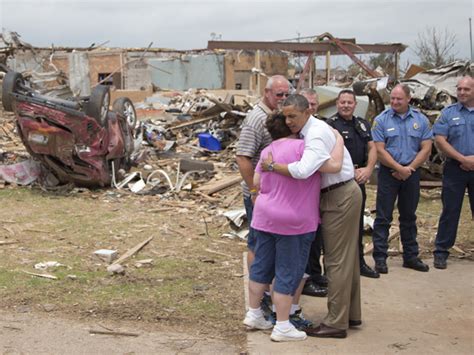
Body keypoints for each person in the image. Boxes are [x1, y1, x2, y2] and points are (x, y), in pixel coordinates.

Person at [261, 94, 362, 339]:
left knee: (336, 262)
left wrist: (273, 167)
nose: (288, 121)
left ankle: (336, 323)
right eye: (285, 116)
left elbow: (303, 170)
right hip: (337, 193)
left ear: (307, 112)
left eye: (293, 116)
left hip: (339, 196)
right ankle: (351, 314)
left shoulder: (315, 133)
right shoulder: (312, 130)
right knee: (347, 258)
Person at [243, 112, 344, 341]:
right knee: (288, 272)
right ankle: (282, 325)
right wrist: (338, 141)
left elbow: (257, 182)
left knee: (261, 266)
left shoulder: (267, 151)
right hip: (294, 221)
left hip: (265, 216)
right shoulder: (302, 148)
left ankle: (254, 313)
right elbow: (334, 166)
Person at [371, 84, 432, 274]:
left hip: (411, 175)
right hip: (388, 174)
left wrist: (409, 169)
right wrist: (399, 169)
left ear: (408, 99)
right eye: (393, 99)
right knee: (383, 217)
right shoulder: (381, 120)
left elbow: (426, 147)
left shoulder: (421, 120)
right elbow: (379, 150)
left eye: (399, 99)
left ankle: (411, 257)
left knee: (409, 217)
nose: (395, 102)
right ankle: (380, 258)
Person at [236, 75, 290, 270]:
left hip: (273, 193)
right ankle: (258, 293)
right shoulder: (256, 119)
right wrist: (253, 191)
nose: (283, 98)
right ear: (266, 93)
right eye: (279, 94)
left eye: (286, 94)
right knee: (258, 244)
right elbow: (243, 157)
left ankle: (267, 287)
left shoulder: (279, 115)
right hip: (258, 195)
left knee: (270, 244)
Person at [326, 89, 379, 279]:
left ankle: (359, 263)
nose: (346, 105)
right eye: (342, 102)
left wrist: (368, 169)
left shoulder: (362, 125)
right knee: (336, 227)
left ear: (355, 104)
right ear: (337, 104)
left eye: (350, 102)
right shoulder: (329, 125)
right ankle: (333, 268)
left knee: (356, 225)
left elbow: (372, 148)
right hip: (339, 183)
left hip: (359, 179)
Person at [432, 76, 474, 269]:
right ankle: (441, 251)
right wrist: (462, 159)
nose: (462, 93)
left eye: (466, 89)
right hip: (454, 168)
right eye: (459, 89)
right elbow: (440, 139)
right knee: (450, 210)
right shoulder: (448, 113)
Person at [300, 88, 328, 296]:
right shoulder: (295, 130)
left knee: (317, 235)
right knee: (305, 237)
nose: (311, 108)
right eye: (307, 104)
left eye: (313, 104)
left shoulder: (321, 126)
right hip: (301, 190)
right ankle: (306, 278)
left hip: (318, 189)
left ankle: (316, 274)